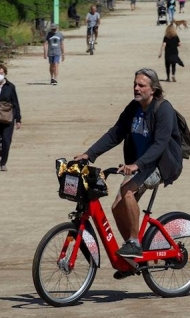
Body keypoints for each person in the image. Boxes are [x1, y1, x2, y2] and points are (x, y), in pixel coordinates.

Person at [74, 68, 183, 259]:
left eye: (141, 85)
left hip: (159, 164)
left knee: (127, 190)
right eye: (135, 84)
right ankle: (131, 255)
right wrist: (89, 154)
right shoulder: (133, 108)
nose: (136, 88)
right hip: (140, 164)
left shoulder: (163, 109)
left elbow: (160, 144)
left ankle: (134, 242)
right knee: (117, 207)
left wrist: (136, 165)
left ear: (153, 89)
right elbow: (115, 133)